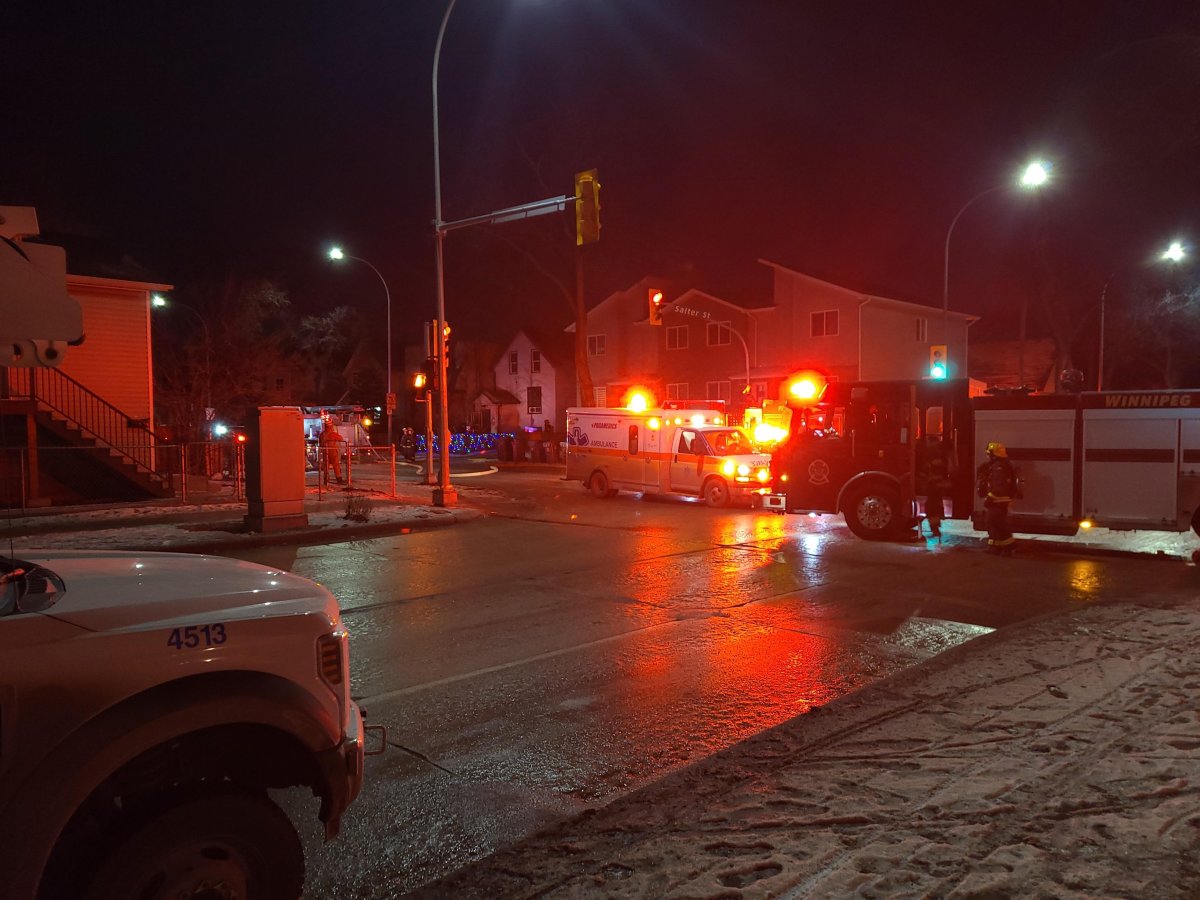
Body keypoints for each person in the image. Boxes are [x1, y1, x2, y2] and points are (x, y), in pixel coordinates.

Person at [977, 440, 1018, 556]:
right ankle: (996, 547)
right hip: (1000, 500)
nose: (987, 457)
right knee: (994, 524)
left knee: (996, 523)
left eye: (989, 454)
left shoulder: (998, 468)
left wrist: (990, 497)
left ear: (994, 455)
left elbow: (998, 486)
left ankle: (1009, 546)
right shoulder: (1002, 465)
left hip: (998, 500)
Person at [318, 419, 347, 485]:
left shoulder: (322, 434)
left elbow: (320, 442)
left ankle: (326, 480)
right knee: (336, 466)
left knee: (326, 467)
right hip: (333, 452)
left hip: (325, 452)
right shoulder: (332, 434)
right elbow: (340, 438)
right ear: (330, 427)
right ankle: (339, 480)